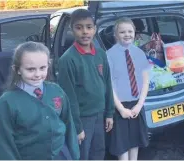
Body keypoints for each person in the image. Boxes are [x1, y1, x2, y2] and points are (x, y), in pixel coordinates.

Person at [0, 41, 80, 160]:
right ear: (17, 69)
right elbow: (4, 142)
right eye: (31, 69)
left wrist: (74, 155)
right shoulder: (8, 102)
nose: (38, 74)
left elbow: (68, 123)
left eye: (42, 68)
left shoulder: (56, 90)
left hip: (61, 155)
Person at [57, 9, 115, 160]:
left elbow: (108, 84)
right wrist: (77, 127)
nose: (85, 32)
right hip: (82, 118)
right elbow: (69, 98)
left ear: (95, 29)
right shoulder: (67, 60)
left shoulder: (101, 54)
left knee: (99, 152)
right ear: (72, 29)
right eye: (79, 27)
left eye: (89, 27)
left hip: (100, 115)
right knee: (83, 154)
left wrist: (109, 113)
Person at [105, 17, 151, 160]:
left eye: (130, 31)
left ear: (135, 32)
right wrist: (120, 109)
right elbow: (109, 85)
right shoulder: (109, 55)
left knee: (134, 142)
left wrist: (139, 105)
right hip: (120, 107)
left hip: (136, 105)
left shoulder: (139, 53)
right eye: (122, 32)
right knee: (122, 145)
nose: (127, 34)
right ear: (115, 34)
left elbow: (145, 82)